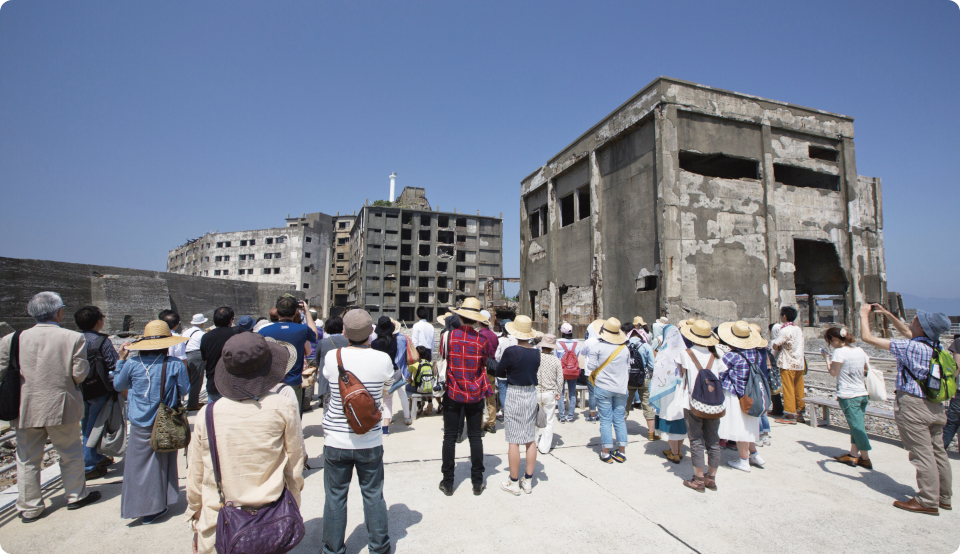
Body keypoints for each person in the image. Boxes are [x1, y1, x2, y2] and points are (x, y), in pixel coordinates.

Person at [186, 332, 304, 554]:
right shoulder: (282, 406)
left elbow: (196, 474)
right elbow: (294, 465)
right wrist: (294, 504)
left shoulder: (208, 413)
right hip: (271, 517)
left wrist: (195, 517)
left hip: (219, 518)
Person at [0, 292, 101, 522]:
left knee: (26, 459)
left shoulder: (11, 339)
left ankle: (30, 506)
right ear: (59, 312)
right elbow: (79, 375)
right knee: (70, 453)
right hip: (61, 404)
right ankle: (76, 495)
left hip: (24, 407)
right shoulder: (73, 338)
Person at [861, 303, 952, 515]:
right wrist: (888, 315)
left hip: (914, 406)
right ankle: (943, 497)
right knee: (938, 452)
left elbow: (868, 339)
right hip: (936, 407)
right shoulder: (938, 347)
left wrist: (864, 315)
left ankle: (928, 500)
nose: (914, 320)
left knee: (922, 453)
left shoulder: (910, 347)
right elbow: (907, 332)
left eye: (917, 320)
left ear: (922, 328)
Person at [321, 309, 392, 553]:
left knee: (335, 497)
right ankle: (379, 546)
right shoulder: (382, 359)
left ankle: (333, 548)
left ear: (344, 332)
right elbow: (386, 389)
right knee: (373, 495)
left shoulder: (333, 356)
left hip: (336, 439)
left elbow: (329, 380)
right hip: (370, 439)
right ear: (371, 332)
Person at [113, 320, 190, 524]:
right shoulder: (174, 364)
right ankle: (160, 502)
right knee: (162, 463)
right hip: (165, 419)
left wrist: (120, 360)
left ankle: (141, 506)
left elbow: (118, 385)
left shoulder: (132, 363)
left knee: (137, 466)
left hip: (140, 421)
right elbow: (185, 390)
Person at [438, 298, 493, 496]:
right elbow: (484, 364)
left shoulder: (448, 337)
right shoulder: (483, 340)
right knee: (475, 437)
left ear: (460, 317)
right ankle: (477, 481)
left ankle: (448, 482)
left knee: (450, 437)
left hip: (453, 392)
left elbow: (443, 359)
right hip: (476, 392)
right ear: (477, 320)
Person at [677, 319, 727, 491]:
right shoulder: (717, 352)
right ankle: (711, 478)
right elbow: (721, 372)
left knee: (696, 440)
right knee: (714, 440)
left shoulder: (686, 353)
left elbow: (681, 374)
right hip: (714, 403)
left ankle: (698, 480)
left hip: (692, 402)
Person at [74, 306, 119, 479]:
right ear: (97, 321)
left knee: (87, 424)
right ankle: (88, 466)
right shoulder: (102, 341)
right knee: (94, 427)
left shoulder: (74, 339)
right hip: (99, 390)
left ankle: (97, 456)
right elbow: (113, 366)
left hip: (80, 388)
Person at [820, 326, 873, 468]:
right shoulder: (859, 350)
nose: (830, 345)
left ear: (835, 339)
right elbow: (866, 368)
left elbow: (833, 372)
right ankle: (853, 455)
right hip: (862, 392)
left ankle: (865, 458)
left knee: (857, 427)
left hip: (848, 394)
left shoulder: (839, 352)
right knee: (857, 425)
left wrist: (826, 359)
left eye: (830, 341)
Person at [499, 315, 541, 494]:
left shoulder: (511, 351)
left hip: (515, 393)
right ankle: (528, 480)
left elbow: (500, 371)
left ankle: (514, 481)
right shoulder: (536, 352)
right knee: (530, 438)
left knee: (513, 440)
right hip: (530, 393)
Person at [717, 321, 764, 473]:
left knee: (740, 427)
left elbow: (720, 373)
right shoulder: (756, 353)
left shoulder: (731, 355)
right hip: (752, 393)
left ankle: (744, 460)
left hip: (735, 394)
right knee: (750, 425)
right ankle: (754, 454)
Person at [258, 297, 319, 413]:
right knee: (293, 416)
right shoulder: (301, 329)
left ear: (277, 311)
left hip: (272, 381)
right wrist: (306, 312)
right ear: (295, 311)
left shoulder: (264, 331)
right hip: (293, 381)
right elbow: (315, 334)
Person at [586, 319, 631, 463]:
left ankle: (606, 452)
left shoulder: (598, 346)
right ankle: (622, 452)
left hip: (603, 386)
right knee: (619, 419)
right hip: (621, 387)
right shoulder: (624, 348)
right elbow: (628, 368)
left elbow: (591, 366)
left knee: (605, 420)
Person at [650, 322, 687, 464]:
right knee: (680, 418)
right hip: (682, 388)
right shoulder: (685, 351)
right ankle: (678, 450)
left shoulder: (664, 352)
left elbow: (658, 371)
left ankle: (674, 452)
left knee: (670, 418)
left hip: (667, 390)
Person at [371, 316, 410, 431]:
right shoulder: (394, 342)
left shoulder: (374, 344)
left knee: (376, 399)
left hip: (377, 373)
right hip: (391, 371)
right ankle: (385, 428)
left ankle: (375, 425)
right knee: (388, 400)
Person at [770, 306, 806, 424]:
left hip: (788, 362)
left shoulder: (785, 330)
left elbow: (775, 344)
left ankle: (790, 414)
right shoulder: (798, 329)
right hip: (799, 362)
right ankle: (800, 412)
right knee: (799, 388)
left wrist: (778, 346)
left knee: (788, 388)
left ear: (784, 316)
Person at [624, 321, 658, 440]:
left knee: (625, 405)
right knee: (647, 405)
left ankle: (621, 431)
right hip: (644, 378)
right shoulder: (646, 346)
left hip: (628, 379)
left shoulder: (625, 345)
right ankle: (651, 434)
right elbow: (652, 365)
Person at [200, 306, 237, 403]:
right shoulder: (237, 333)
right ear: (230, 320)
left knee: (213, 416)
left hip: (214, 383)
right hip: (234, 384)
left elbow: (204, 359)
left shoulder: (206, 337)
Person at [536, 334, 564, 454]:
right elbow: (561, 378)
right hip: (550, 392)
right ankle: (545, 447)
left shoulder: (536, 358)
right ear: (552, 348)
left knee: (535, 419)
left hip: (536, 391)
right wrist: (559, 391)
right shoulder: (556, 360)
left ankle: (533, 443)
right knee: (549, 420)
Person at [316, 316, 349, 417]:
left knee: (327, 409)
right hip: (346, 380)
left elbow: (318, 361)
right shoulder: (348, 341)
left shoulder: (323, 343)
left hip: (327, 382)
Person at [478, 310, 500, 434]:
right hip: (491, 367)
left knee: (479, 395)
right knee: (490, 395)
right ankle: (491, 423)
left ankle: (480, 425)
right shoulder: (494, 335)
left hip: (480, 367)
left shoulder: (478, 335)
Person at [555, 322, 581, 423]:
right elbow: (577, 356)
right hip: (573, 370)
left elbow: (556, 357)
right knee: (572, 392)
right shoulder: (577, 343)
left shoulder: (558, 343)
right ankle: (570, 415)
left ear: (562, 331)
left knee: (560, 393)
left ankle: (562, 416)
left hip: (561, 370)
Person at [580, 320, 605, 422]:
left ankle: (592, 414)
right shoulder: (603, 341)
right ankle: (602, 413)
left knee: (591, 393)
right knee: (602, 393)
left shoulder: (588, 341)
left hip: (589, 370)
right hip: (602, 371)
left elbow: (582, 353)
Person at [495, 319, 518, 421]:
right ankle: (513, 411)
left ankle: (505, 411)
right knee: (513, 391)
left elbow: (496, 356)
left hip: (502, 368)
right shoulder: (517, 339)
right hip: (514, 368)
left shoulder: (500, 340)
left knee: (503, 391)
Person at [182, 314, 207, 410]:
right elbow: (204, 347)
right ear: (202, 323)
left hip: (186, 355)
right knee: (197, 380)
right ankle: (192, 404)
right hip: (196, 355)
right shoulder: (201, 334)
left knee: (190, 379)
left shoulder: (186, 332)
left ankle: (193, 400)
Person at [943, 335, 960, 450]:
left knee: (951, 424)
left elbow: (957, 367)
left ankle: (937, 455)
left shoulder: (958, 342)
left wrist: (950, 387)